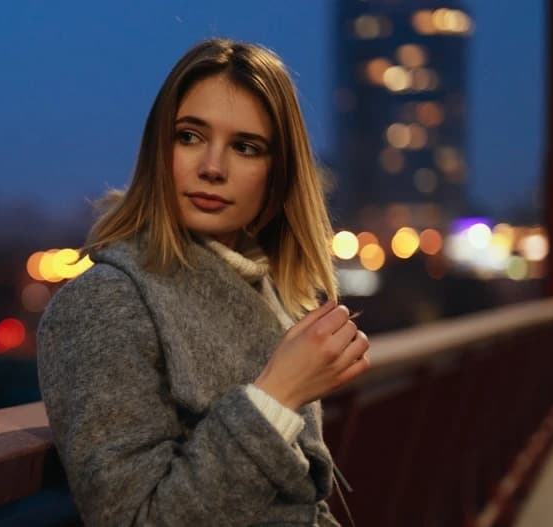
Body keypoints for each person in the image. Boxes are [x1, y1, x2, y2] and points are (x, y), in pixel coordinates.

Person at [36, 38, 371, 526]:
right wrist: (276, 395)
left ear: (278, 176)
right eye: (189, 136)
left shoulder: (274, 294)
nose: (212, 168)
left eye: (245, 147)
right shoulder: (104, 302)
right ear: (158, 151)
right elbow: (135, 520)